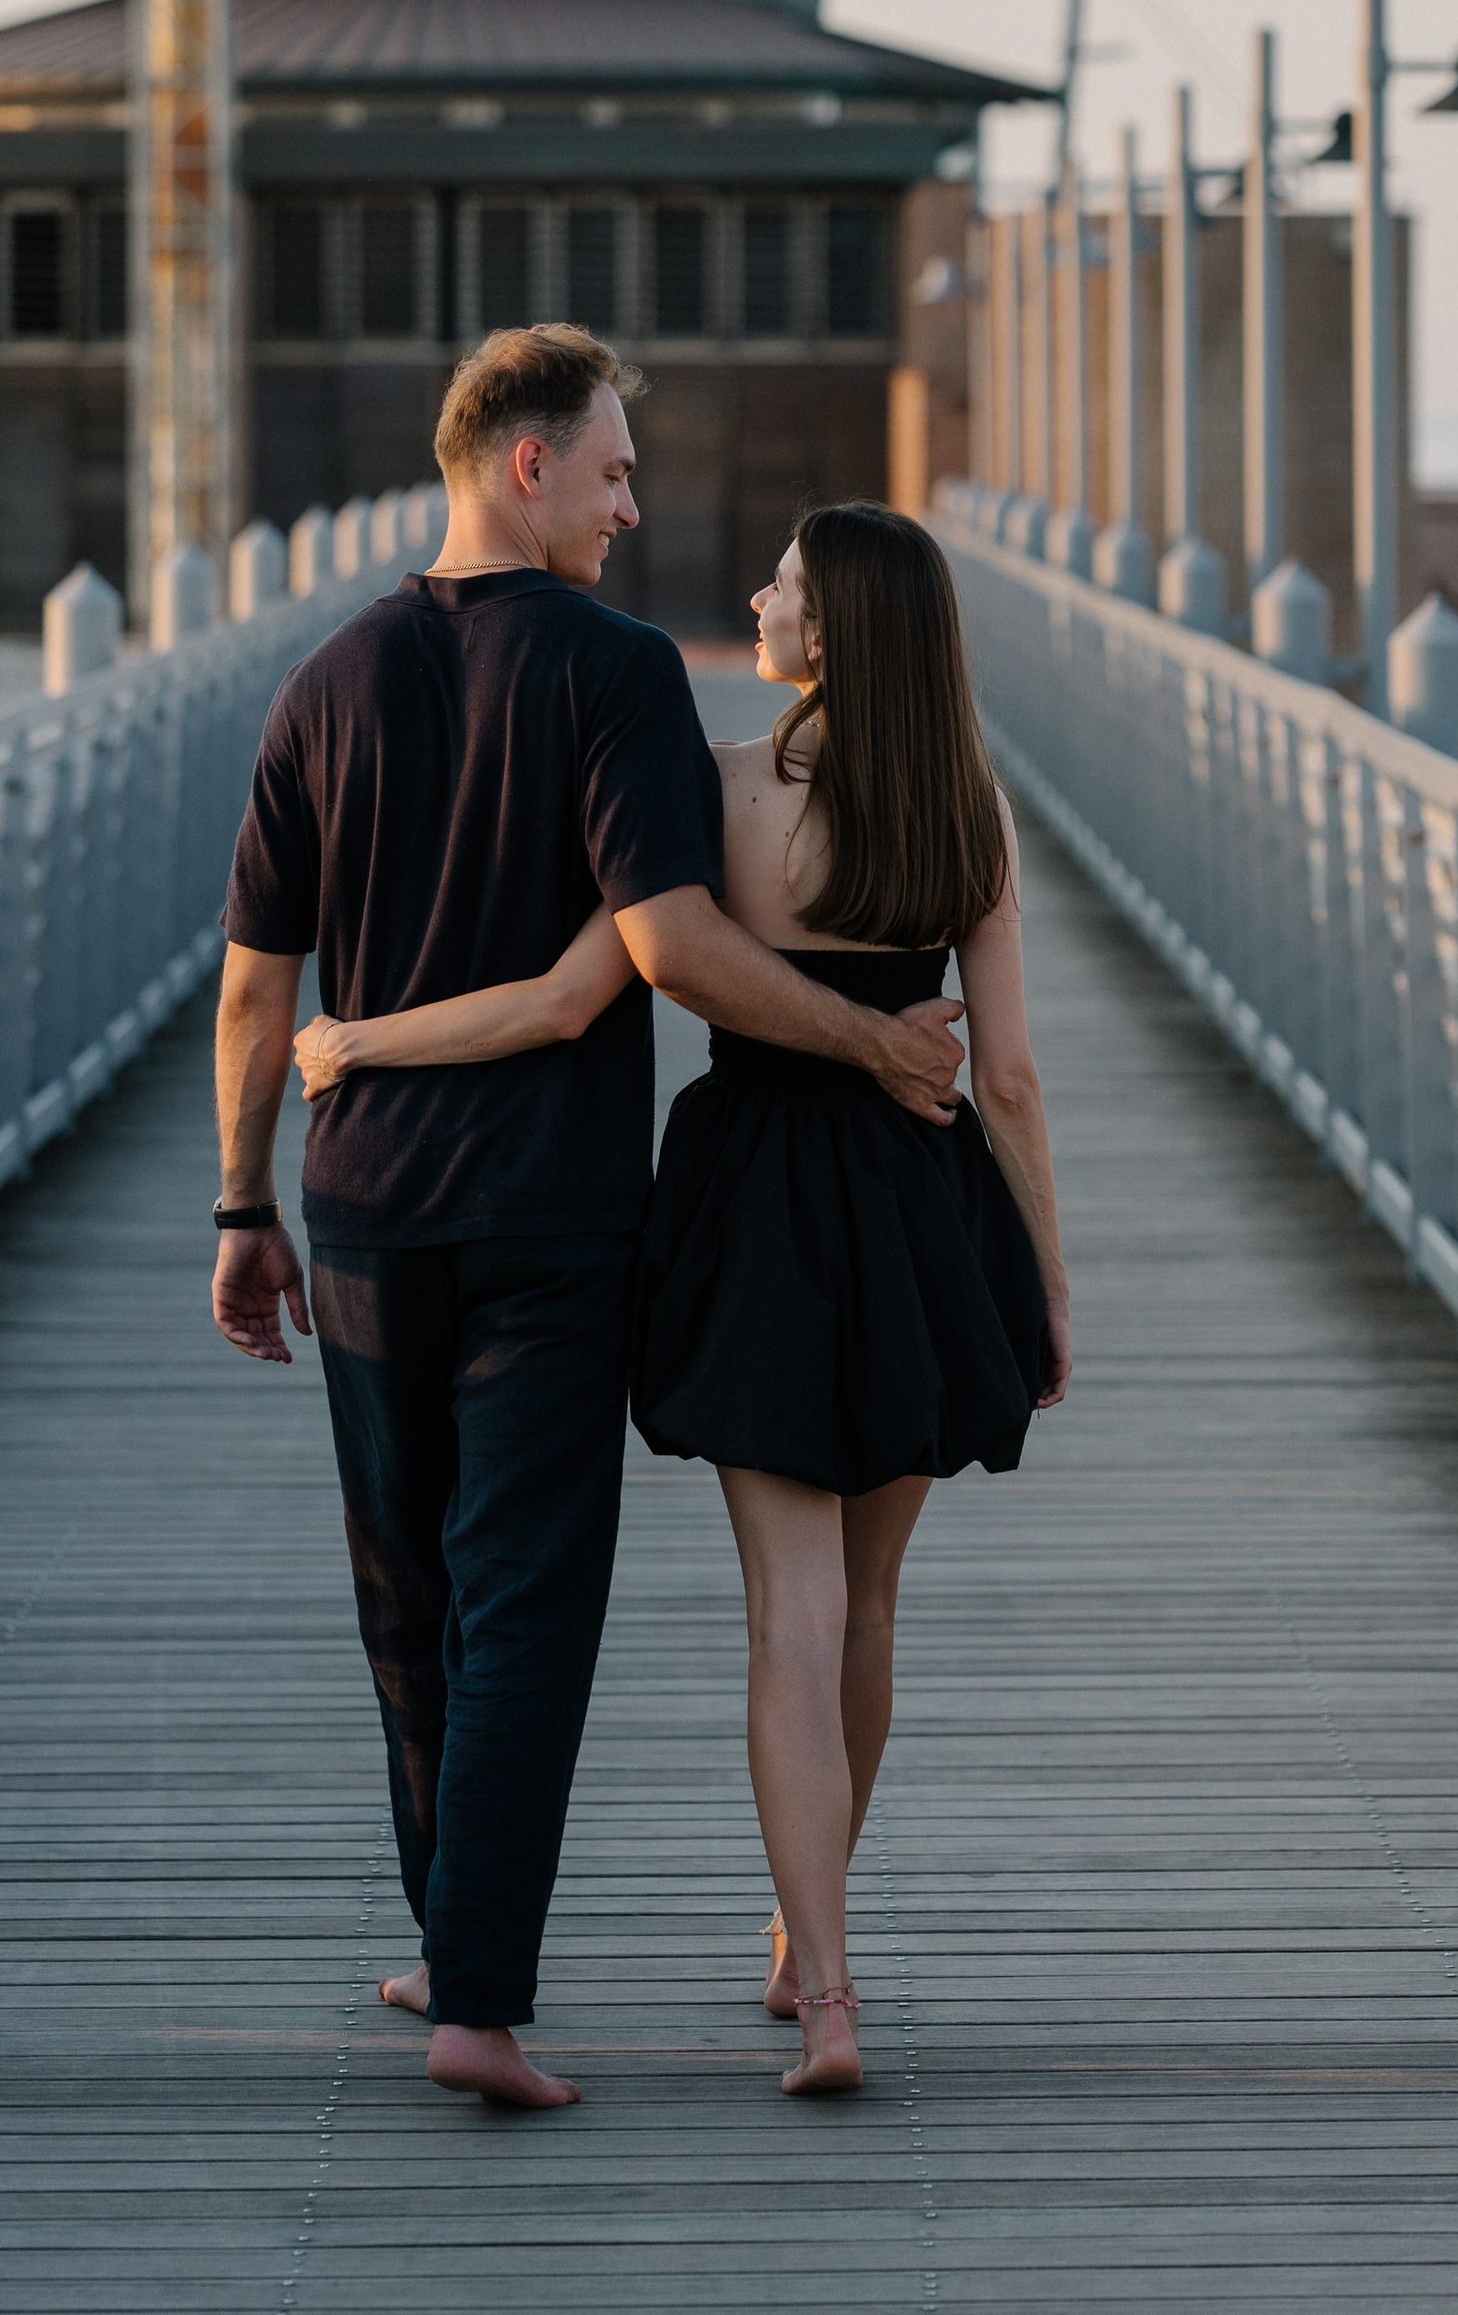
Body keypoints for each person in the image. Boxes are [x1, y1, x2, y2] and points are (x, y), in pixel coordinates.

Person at [209, 328, 969, 2114]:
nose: (637, 507)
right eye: (616, 470)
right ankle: (475, 1987)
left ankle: (452, 1943)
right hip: (554, 1216)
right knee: (524, 1592)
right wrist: (873, 1037)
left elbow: (256, 990)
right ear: (525, 463)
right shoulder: (618, 674)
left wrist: (244, 1201)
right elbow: (666, 940)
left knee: (407, 1592)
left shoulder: (320, 680)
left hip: (366, 1204)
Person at [309, 499, 1071, 2100]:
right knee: (867, 1610)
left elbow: (594, 983)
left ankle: (834, 1986)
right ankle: (809, 1942)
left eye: (783, 582)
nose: (756, 595)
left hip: (752, 1208)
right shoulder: (966, 811)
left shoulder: (722, 793)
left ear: (834, 627)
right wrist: (1045, 1287)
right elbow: (1005, 1073)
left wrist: (363, 1042)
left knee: (783, 1614)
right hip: (924, 1205)